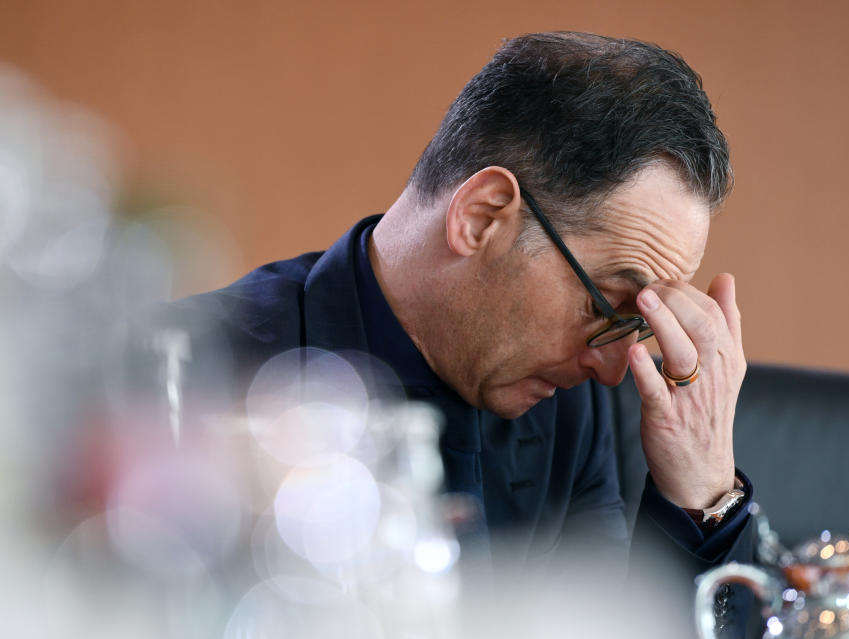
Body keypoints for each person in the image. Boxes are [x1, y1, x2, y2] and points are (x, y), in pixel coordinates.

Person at [166, 31, 755, 636]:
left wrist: (703, 492)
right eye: (604, 303)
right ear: (481, 218)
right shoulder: (190, 375)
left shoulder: (572, 405)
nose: (611, 371)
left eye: (636, 326)